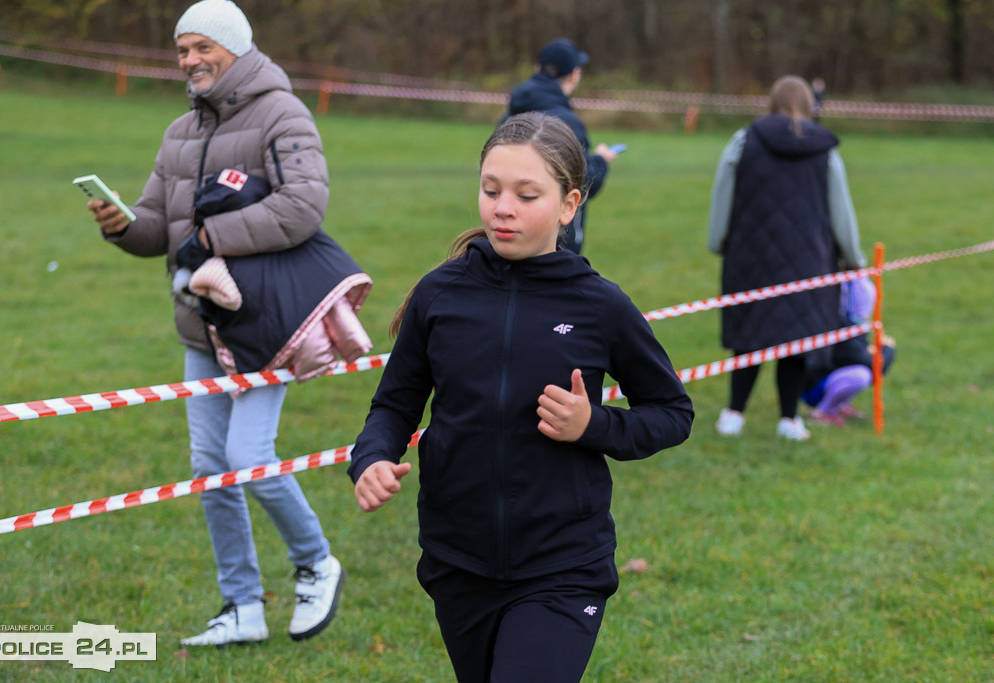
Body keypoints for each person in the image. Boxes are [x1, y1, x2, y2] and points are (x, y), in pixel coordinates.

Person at [348, 112, 693, 682]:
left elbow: (672, 414)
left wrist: (595, 425)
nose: (502, 208)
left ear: (568, 204)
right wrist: (372, 459)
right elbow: (393, 405)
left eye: (525, 194)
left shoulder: (600, 306)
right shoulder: (440, 294)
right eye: (491, 190)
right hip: (457, 561)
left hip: (563, 566)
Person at [85, 0, 345, 647]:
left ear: (235, 47)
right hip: (201, 326)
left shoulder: (282, 113)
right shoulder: (179, 132)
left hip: (264, 321)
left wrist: (210, 235)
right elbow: (158, 228)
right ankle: (242, 606)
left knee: (247, 457)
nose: (191, 60)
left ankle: (317, 562)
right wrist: (124, 227)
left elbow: (304, 205)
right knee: (210, 467)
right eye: (182, 50)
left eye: (204, 47)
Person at [707, 75, 867, 441]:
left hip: (749, 257)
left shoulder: (743, 140)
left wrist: (718, 241)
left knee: (748, 337)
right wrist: (853, 257)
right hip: (808, 261)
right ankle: (789, 419)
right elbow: (841, 210)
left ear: (771, 102)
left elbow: (722, 194)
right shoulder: (825, 149)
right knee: (795, 338)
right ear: (810, 104)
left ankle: (734, 414)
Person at [500, 38, 619, 254]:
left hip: (508, 231)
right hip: (555, 241)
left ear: (538, 69)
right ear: (574, 75)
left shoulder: (511, 114)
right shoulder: (568, 122)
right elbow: (581, 182)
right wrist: (601, 160)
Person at [801, 277, 896, 425]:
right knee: (861, 375)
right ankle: (823, 412)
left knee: (858, 369)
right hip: (813, 388)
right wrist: (887, 349)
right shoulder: (843, 328)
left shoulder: (850, 323)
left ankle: (839, 405)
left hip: (824, 378)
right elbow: (874, 367)